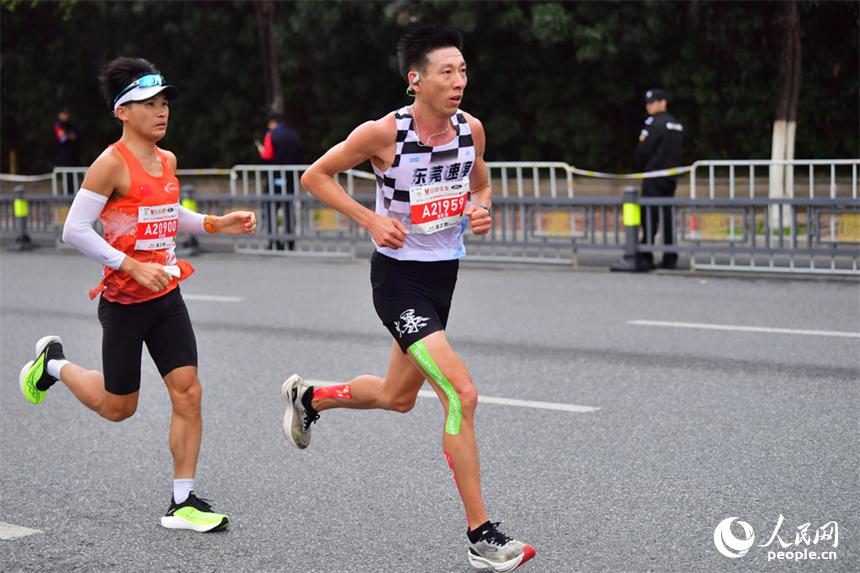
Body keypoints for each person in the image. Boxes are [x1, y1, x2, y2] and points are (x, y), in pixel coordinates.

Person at [288, 25, 535, 572]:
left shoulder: (471, 131)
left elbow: (480, 184)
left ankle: (310, 399)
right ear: (415, 79)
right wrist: (371, 218)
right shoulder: (383, 134)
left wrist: (481, 208)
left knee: (399, 397)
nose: (459, 81)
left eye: (464, 70)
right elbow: (316, 175)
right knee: (461, 394)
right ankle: (481, 536)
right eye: (447, 71)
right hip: (398, 282)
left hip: (442, 278)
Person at [19, 57, 257, 533]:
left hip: (167, 295)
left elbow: (168, 212)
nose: (161, 111)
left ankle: (183, 501)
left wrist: (214, 222)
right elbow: (74, 230)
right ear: (122, 112)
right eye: (149, 103)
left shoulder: (166, 160)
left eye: (164, 102)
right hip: (126, 301)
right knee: (118, 407)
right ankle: (53, 365)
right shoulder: (110, 163)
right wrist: (128, 265)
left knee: (189, 392)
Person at [634, 88, 684, 269]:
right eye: (647, 103)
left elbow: (643, 150)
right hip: (669, 177)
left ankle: (645, 256)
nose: (649, 106)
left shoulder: (654, 123)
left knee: (649, 216)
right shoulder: (676, 124)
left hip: (653, 176)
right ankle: (670, 257)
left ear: (663, 103)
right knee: (667, 217)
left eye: (653, 102)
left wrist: (641, 169)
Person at [256, 110, 302, 250]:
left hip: (274, 178)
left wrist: (261, 153)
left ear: (271, 122)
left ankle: (274, 242)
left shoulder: (271, 135)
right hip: (291, 178)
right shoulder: (294, 135)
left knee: (271, 209)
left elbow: (267, 155)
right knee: (288, 209)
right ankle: (290, 242)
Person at [54, 105, 81, 194]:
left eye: (67, 114)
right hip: (64, 154)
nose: (66, 116)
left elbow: (76, 136)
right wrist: (69, 136)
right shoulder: (58, 126)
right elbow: (62, 138)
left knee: (73, 173)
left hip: (73, 153)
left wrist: (69, 136)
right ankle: (67, 191)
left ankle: (73, 190)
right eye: (64, 114)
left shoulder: (72, 125)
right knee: (66, 173)